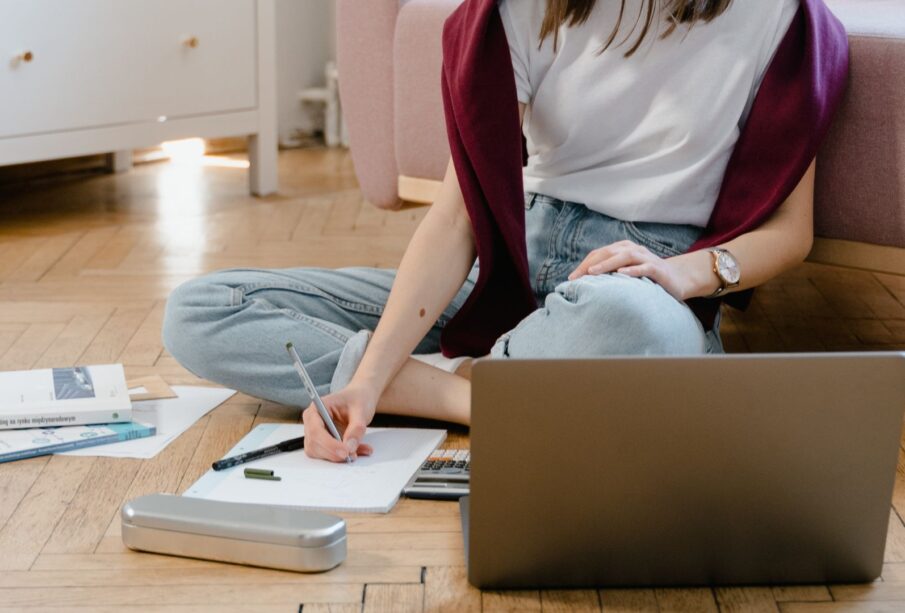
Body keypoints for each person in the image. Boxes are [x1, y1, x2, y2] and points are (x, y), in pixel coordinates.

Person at [162, 0, 816, 463]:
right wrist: (367, 379)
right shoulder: (530, 7)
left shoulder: (781, 19)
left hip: (643, 283)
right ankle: (467, 390)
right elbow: (455, 216)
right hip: (510, 267)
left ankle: (452, 382)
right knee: (202, 310)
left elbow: (790, 231)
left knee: (631, 327)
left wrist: (685, 273)